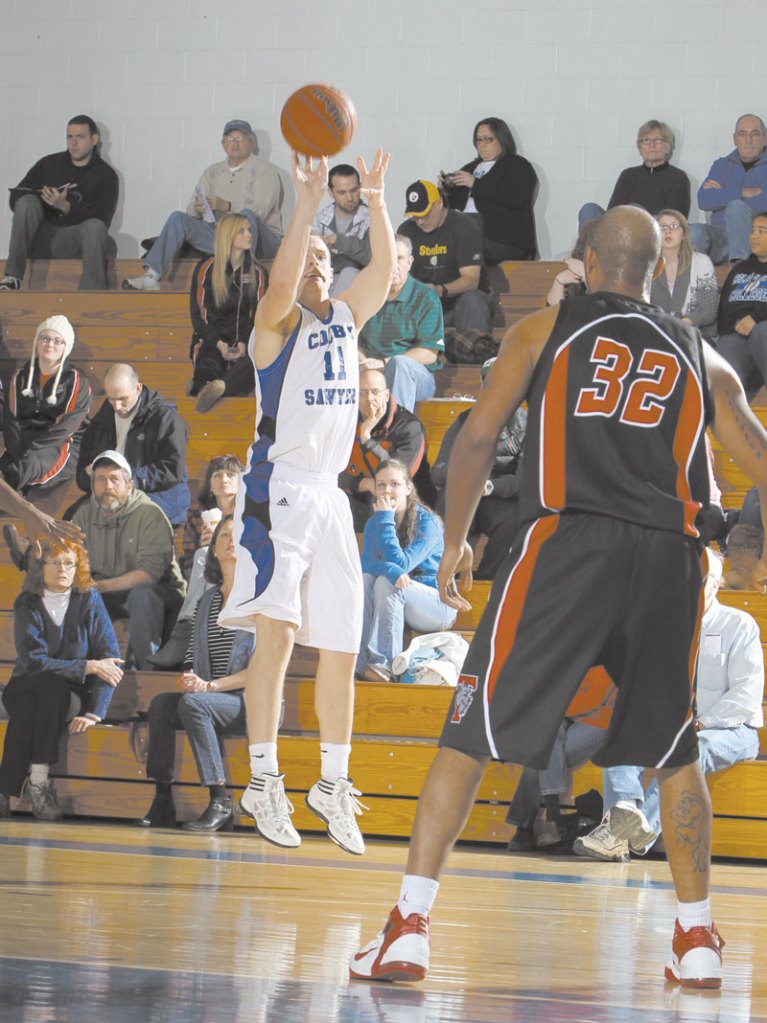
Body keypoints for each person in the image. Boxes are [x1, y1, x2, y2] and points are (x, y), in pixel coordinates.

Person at [349, 205, 767, 990]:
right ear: (653, 269)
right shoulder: (698, 349)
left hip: (567, 544)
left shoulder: (547, 330)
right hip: (670, 559)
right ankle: (697, 936)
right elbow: (759, 454)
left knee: (468, 731)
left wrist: (459, 546)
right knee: (674, 749)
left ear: (583, 257)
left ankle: (407, 928)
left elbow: (475, 437)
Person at [218, 149, 396, 855]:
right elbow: (285, 277)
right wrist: (306, 203)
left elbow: (382, 273)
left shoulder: (346, 320)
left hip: (329, 499)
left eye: (327, 254)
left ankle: (331, 780)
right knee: (279, 637)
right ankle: (262, 778)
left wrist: (376, 201)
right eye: (310, 254)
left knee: (342, 646)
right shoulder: (276, 327)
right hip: (280, 491)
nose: (319, 263)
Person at [574, 549, 764, 861]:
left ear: (716, 585)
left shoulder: (739, 625)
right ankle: (622, 810)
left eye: (700, 580)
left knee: (693, 748)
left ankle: (634, 829)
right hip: (676, 725)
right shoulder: (665, 627)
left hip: (732, 729)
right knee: (624, 732)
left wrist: (699, 723)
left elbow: (745, 695)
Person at [138, 516, 255, 832]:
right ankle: (163, 797)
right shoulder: (207, 600)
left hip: (253, 703)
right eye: (224, 536)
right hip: (210, 695)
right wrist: (190, 677)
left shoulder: (260, 599)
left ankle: (220, 800)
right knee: (162, 703)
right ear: (214, 549)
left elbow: (263, 673)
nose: (231, 540)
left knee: (193, 705)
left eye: (238, 536)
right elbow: (192, 653)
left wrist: (210, 687)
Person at [0, 538, 122, 821]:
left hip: (69, 694)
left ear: (78, 567)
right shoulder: (27, 602)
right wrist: (87, 665)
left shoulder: (89, 598)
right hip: (23, 685)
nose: (62, 569)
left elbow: (110, 661)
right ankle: (39, 783)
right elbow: (33, 661)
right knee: (39, 693)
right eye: (54, 562)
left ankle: (4, 789)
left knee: (50, 688)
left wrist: (95, 711)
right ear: (40, 567)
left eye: (69, 563)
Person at [122, 120, 282, 292]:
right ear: (223, 144)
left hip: (263, 239)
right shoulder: (212, 172)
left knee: (246, 216)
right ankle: (152, 276)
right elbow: (191, 209)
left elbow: (260, 211)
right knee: (178, 218)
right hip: (223, 236)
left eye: (240, 138)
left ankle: (244, 275)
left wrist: (226, 205)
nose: (234, 143)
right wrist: (198, 208)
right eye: (230, 138)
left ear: (251, 142)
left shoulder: (265, 170)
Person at [72, 451, 186, 671]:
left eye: (114, 479)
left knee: (141, 595)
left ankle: (145, 671)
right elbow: (73, 559)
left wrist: (99, 586)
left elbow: (147, 575)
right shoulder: (83, 515)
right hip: (107, 591)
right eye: (100, 479)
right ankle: (80, 671)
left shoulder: (150, 513)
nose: (108, 486)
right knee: (71, 595)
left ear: (130, 485)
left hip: (160, 592)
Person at [357, 460, 457, 683]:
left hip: (437, 603)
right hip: (398, 601)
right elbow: (366, 565)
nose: (387, 490)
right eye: (381, 485)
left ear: (408, 488)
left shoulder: (428, 522)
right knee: (366, 580)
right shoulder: (375, 522)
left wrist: (385, 521)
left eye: (394, 484)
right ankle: (360, 664)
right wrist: (390, 569)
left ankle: (385, 665)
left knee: (386, 582)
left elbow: (403, 564)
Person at [431, 360, 526, 580]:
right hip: (464, 494)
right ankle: (441, 576)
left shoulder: (527, 424)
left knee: (514, 518)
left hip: (500, 496)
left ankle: (487, 582)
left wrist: (489, 486)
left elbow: (523, 481)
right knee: (447, 498)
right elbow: (438, 471)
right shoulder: (464, 421)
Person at [1, 115, 118, 291]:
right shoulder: (48, 164)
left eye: (80, 136)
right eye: (69, 137)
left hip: (72, 240)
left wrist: (66, 206)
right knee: (26, 201)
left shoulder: (106, 175)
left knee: (95, 227)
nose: (73, 143)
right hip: (39, 237)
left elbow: (103, 219)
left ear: (94, 139)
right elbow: (15, 198)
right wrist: (41, 198)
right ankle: (12, 277)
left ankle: (91, 295)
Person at [150, 454, 244, 669]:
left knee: (204, 554)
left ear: (241, 483)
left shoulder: (249, 515)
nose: (224, 479)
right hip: (207, 577)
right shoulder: (198, 516)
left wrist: (215, 548)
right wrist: (206, 548)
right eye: (217, 475)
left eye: (231, 475)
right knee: (202, 554)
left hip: (240, 572)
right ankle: (191, 635)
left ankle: (185, 634)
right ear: (210, 484)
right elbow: (187, 563)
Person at [75, 363, 190, 527]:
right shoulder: (100, 422)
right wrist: (89, 475)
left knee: (125, 523)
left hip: (159, 495)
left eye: (122, 399)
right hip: (111, 495)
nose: (117, 406)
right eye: (111, 399)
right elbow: (82, 475)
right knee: (72, 520)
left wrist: (126, 480)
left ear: (138, 388)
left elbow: (171, 470)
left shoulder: (165, 419)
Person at [397, 180, 496, 353]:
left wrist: (438, 290)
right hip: (425, 303)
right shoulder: (406, 230)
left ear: (439, 203)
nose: (420, 221)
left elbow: (471, 280)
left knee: (471, 300)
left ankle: (475, 358)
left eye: (425, 214)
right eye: (415, 216)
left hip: (459, 300)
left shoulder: (464, 226)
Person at [0, 315, 91, 497]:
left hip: (58, 446)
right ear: (37, 342)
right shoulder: (21, 377)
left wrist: (29, 452)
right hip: (23, 444)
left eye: (57, 341)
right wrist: (18, 451)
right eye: (45, 338)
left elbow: (65, 428)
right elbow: (11, 420)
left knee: (27, 465)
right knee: (11, 465)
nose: (50, 344)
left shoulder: (76, 382)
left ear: (66, 347)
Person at [189, 214, 268, 414]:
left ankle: (220, 388)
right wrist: (219, 343)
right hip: (212, 341)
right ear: (228, 235)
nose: (249, 234)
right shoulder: (206, 268)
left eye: (249, 230)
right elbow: (200, 316)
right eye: (242, 231)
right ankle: (209, 386)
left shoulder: (258, 272)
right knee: (207, 365)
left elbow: (259, 316)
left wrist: (243, 342)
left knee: (255, 363)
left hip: (246, 341)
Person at [358, 235, 445, 412]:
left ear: (410, 262)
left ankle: (397, 432)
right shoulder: (366, 296)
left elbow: (429, 354)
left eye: (399, 258)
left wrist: (384, 363)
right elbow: (357, 343)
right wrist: (362, 362)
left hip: (415, 376)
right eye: (387, 258)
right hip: (372, 373)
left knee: (399, 365)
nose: (393, 265)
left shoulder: (426, 297)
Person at [340, 369, 429, 531]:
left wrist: (367, 439)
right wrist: (364, 483)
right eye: (362, 392)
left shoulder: (409, 427)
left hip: (405, 505)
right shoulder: (347, 422)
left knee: (383, 494)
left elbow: (396, 478)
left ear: (387, 395)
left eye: (375, 392)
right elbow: (331, 474)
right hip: (361, 496)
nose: (369, 399)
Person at [441, 117, 537, 263]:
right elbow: (452, 206)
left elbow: (516, 196)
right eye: (478, 140)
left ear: (502, 140)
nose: (482, 145)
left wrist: (476, 185)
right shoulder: (469, 168)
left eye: (487, 139)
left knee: (463, 239)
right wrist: (445, 190)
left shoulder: (518, 166)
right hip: (467, 232)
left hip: (503, 239)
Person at [578, 119, 690, 231]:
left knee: (634, 211)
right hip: (621, 229)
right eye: (646, 140)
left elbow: (675, 217)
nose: (651, 145)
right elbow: (613, 211)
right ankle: (589, 248)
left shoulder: (677, 177)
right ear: (640, 148)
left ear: (668, 147)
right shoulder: (628, 175)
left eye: (657, 140)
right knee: (589, 209)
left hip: (656, 231)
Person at [691, 114, 767, 265]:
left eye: (755, 134)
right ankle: (694, 279)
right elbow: (704, 199)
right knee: (693, 232)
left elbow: (763, 202)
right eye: (742, 134)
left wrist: (723, 193)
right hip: (721, 236)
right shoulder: (722, 165)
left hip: (753, 238)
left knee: (736, 207)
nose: (748, 140)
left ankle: (739, 269)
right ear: (734, 139)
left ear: (764, 138)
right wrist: (743, 191)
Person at [715, 211, 767, 400]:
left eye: (762, 231)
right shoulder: (740, 269)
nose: (754, 236)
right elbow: (725, 310)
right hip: (737, 338)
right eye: (753, 230)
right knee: (726, 345)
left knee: (763, 331)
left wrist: (755, 319)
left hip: (763, 334)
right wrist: (738, 325)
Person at [650, 210, 719, 340]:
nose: (668, 231)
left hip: (696, 335)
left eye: (674, 226)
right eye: (662, 227)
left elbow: (708, 310)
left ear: (684, 234)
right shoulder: (647, 265)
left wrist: (677, 326)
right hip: (657, 333)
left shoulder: (701, 262)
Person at [312, 163, 371, 295]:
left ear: (360, 187)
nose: (349, 198)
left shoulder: (372, 218)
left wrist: (338, 241)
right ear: (330, 192)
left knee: (350, 272)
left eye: (354, 190)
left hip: (360, 284)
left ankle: (336, 314)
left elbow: (371, 257)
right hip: (325, 279)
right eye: (342, 192)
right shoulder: (321, 219)